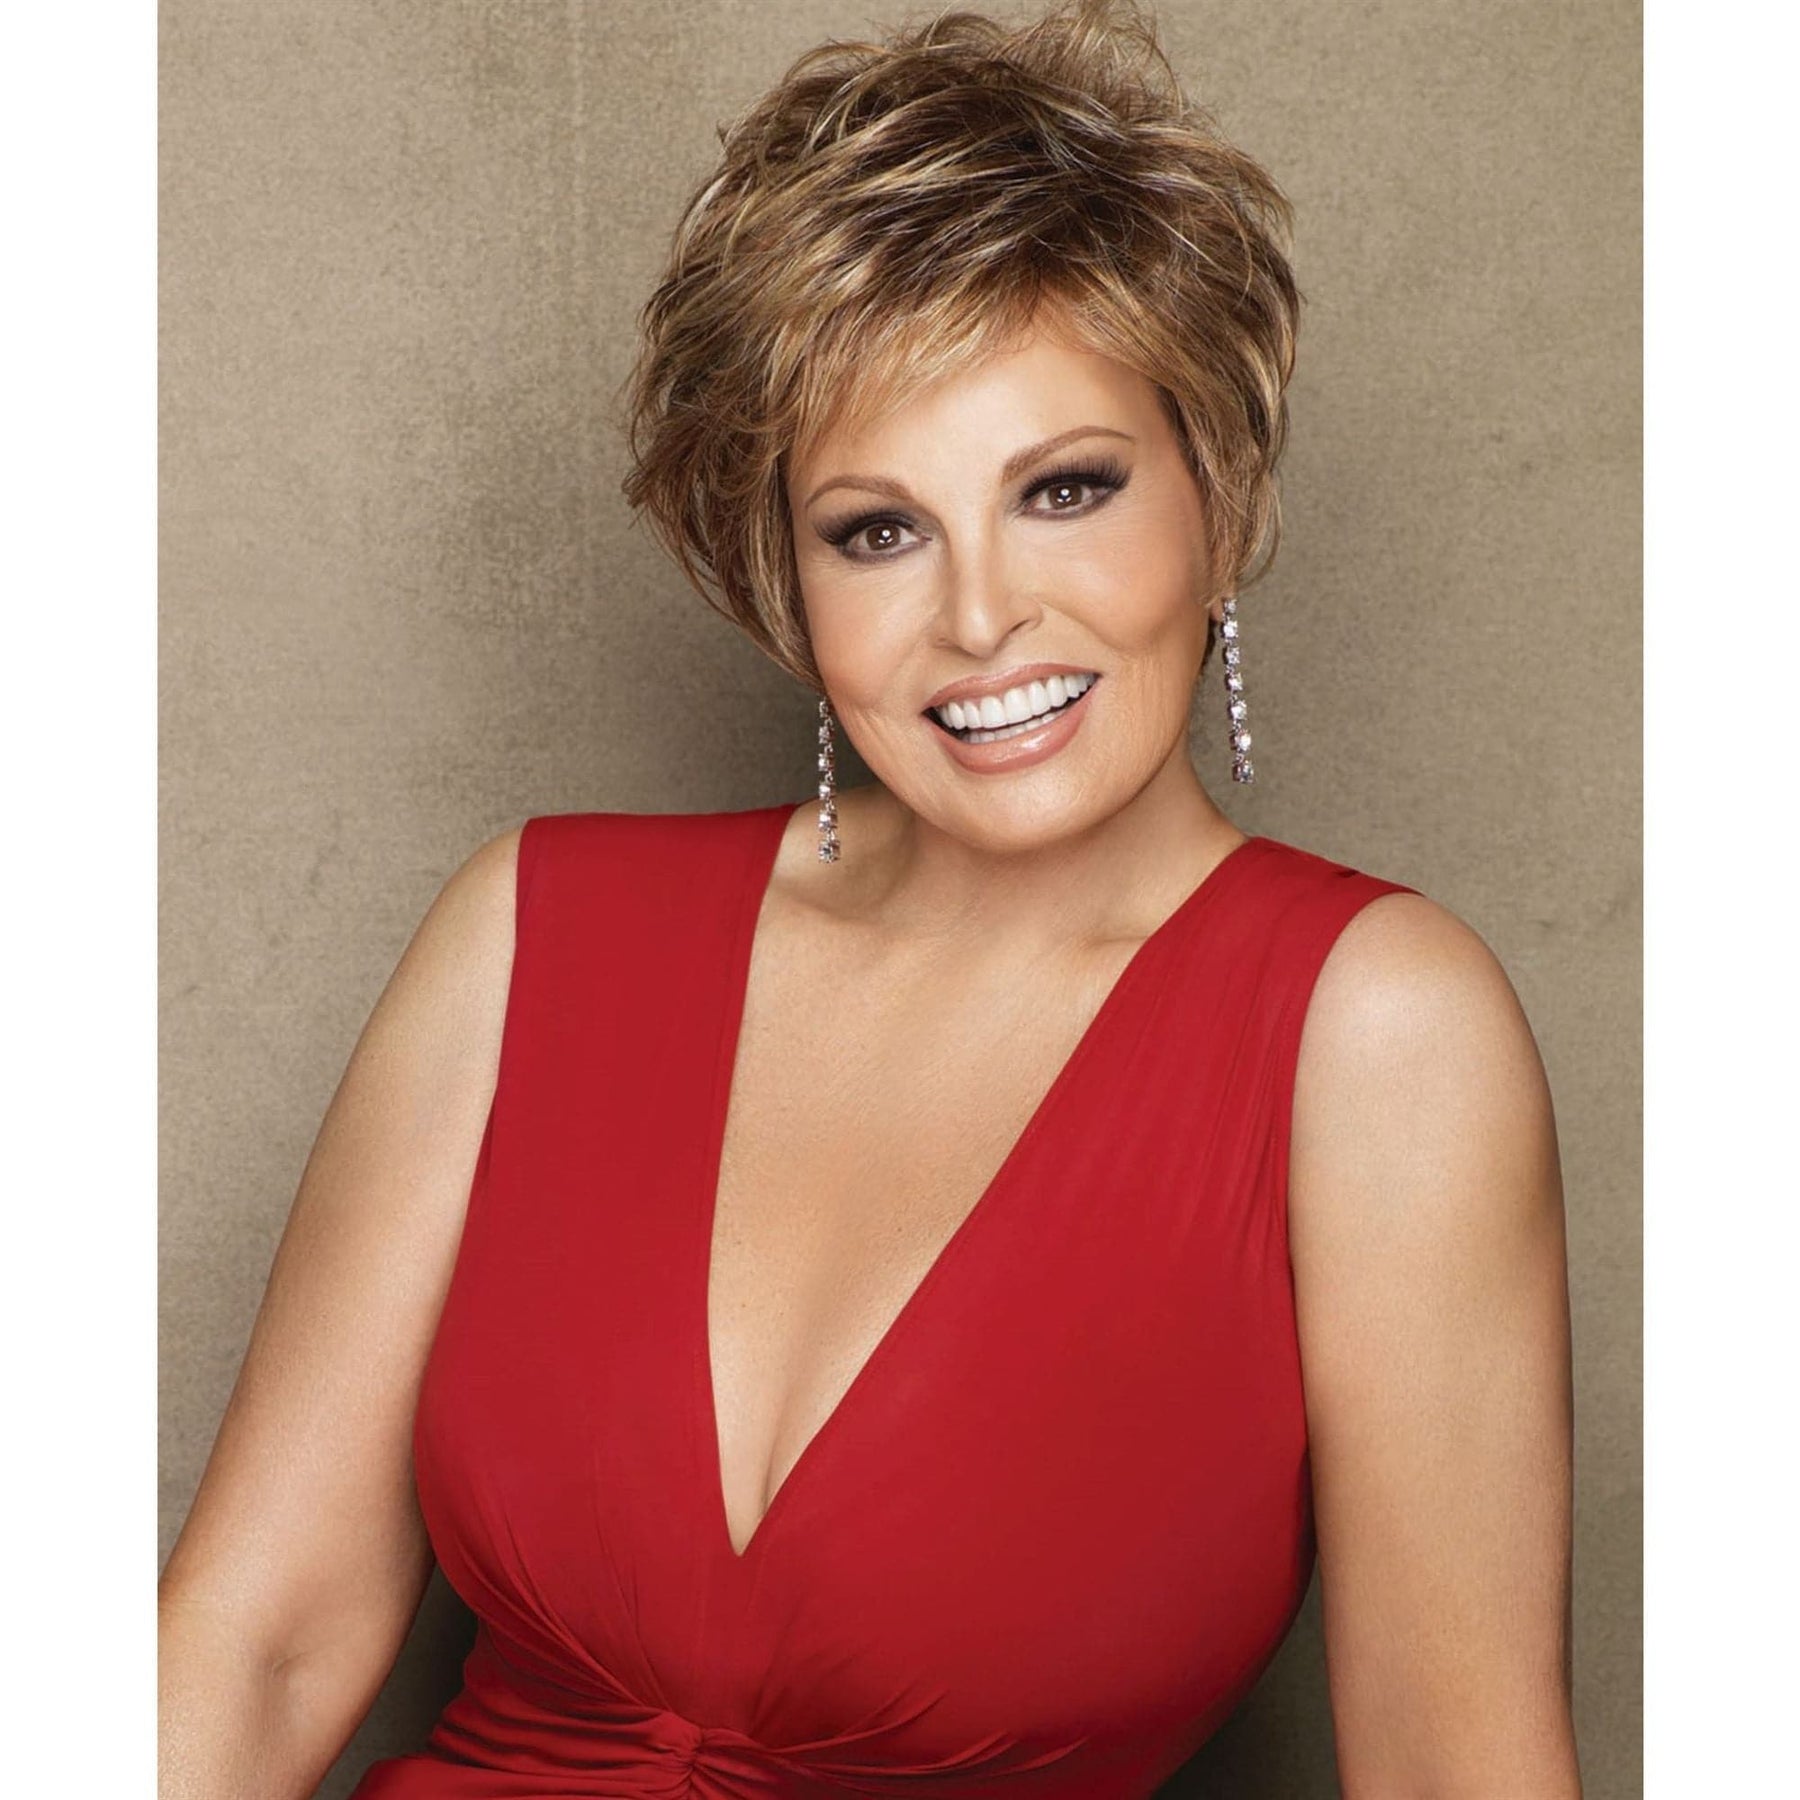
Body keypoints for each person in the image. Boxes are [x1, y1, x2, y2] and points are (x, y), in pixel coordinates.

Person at [158, 2, 1581, 1795]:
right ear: (787, 579)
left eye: (1066, 490)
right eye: (878, 529)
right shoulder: (534, 934)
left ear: (1220, 503)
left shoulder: (1375, 1038)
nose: (979, 617)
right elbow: (254, 1648)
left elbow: (1457, 1759)